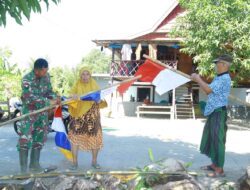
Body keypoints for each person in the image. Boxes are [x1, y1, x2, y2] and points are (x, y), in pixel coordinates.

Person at [191, 54, 232, 177]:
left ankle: (219, 168)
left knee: (218, 140)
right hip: (214, 111)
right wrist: (197, 79)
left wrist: (198, 78)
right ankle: (214, 164)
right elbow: (210, 90)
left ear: (224, 64)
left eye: (217, 63)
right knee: (211, 138)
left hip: (219, 112)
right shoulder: (219, 77)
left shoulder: (225, 78)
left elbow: (208, 90)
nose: (215, 65)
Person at [17, 58, 59, 173]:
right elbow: (29, 97)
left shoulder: (46, 77)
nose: (46, 73)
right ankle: (23, 170)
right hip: (29, 115)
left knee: (39, 140)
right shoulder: (27, 79)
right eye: (44, 71)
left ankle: (34, 165)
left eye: (46, 71)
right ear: (37, 70)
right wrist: (48, 102)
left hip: (42, 115)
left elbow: (49, 91)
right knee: (25, 140)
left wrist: (54, 98)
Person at [68, 67, 107, 170]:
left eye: (87, 74)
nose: (85, 76)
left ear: (90, 75)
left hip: (92, 116)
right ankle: (74, 163)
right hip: (78, 116)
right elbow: (69, 97)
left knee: (95, 137)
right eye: (83, 74)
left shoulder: (95, 85)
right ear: (80, 76)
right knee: (74, 138)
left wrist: (99, 100)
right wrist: (73, 97)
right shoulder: (77, 85)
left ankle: (94, 162)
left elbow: (102, 99)